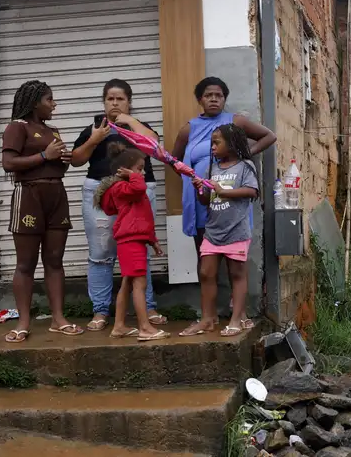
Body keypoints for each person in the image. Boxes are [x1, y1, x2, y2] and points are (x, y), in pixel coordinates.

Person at [71, 79, 167, 331]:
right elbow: (76, 160)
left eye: (120, 99)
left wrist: (129, 121)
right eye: (110, 99)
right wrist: (94, 139)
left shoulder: (138, 126)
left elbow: (154, 146)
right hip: (102, 193)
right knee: (100, 254)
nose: (114, 103)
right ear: (103, 102)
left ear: (129, 102)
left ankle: (148, 307)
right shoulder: (94, 129)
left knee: (140, 249)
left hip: (139, 192)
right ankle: (100, 311)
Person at [0, 80, 84, 342]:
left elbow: (57, 166)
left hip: (56, 195)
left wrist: (64, 160)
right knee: (26, 263)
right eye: (49, 99)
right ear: (35, 102)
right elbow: (8, 163)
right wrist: (45, 156)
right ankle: (23, 322)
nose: (54, 105)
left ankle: (58, 319)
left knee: (55, 260)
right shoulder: (17, 127)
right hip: (29, 196)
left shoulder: (52, 131)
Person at [171, 77, 276, 246]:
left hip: (231, 195)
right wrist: (191, 178)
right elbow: (174, 160)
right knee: (204, 250)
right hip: (202, 197)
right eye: (208, 95)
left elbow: (269, 136)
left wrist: (244, 155)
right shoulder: (189, 129)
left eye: (218, 95)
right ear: (200, 100)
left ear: (224, 99)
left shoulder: (236, 122)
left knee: (233, 248)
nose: (214, 99)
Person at [180, 124, 259, 337]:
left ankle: (236, 319)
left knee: (237, 274)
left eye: (216, 143)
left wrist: (223, 191)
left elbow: (252, 191)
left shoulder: (245, 166)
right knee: (206, 273)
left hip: (236, 230)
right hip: (213, 231)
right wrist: (200, 190)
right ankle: (207, 319)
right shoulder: (212, 169)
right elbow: (206, 200)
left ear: (231, 144)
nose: (212, 147)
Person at [95, 143, 170, 342]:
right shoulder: (122, 187)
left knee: (128, 282)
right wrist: (132, 176)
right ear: (125, 170)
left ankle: (119, 326)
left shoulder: (130, 188)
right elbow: (139, 187)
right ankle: (145, 327)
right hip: (130, 242)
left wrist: (153, 240)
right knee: (140, 284)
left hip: (134, 240)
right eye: (139, 168)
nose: (143, 173)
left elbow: (143, 218)